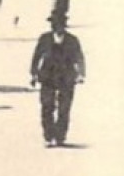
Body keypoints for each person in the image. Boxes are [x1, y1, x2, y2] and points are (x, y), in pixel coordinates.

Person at [30, 13, 86, 147]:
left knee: (64, 108)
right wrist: (33, 74)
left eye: (60, 25)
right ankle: (49, 135)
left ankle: (60, 136)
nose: (58, 27)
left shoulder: (72, 40)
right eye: (55, 25)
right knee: (47, 105)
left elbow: (79, 57)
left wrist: (81, 74)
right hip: (47, 76)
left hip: (66, 77)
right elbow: (36, 57)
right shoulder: (45, 39)